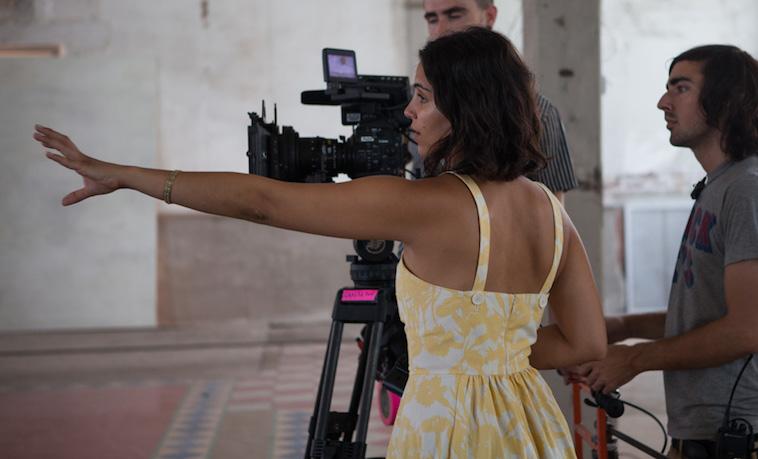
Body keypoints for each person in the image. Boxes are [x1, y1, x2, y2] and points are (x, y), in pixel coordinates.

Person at [35, 28, 605, 458]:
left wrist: (126, 175)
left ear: (466, 110)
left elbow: (263, 201)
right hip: (533, 425)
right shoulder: (551, 213)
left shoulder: (428, 205)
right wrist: (492, 357)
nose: (409, 111)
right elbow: (586, 342)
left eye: (424, 97)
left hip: (452, 427)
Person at [565, 45, 758, 458]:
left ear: (727, 99)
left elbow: (748, 328)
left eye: (680, 88)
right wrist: (620, 327)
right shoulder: (719, 186)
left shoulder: (747, 189)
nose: (663, 102)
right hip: (704, 435)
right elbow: (707, 316)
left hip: (738, 434)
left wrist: (635, 359)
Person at [422, 0, 578, 202]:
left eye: (455, 15)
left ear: (489, 16)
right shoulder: (416, 112)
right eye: (432, 19)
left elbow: (553, 210)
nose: (441, 30)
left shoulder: (539, 112)